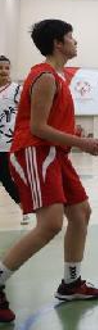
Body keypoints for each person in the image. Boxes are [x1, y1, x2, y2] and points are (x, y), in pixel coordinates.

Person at [0, 20, 98, 323]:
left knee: (81, 213)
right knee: (50, 225)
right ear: (58, 44)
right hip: (34, 152)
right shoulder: (44, 77)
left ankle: (71, 283)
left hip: (54, 154)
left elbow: (50, 122)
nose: (76, 42)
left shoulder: (58, 77)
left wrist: (73, 131)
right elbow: (37, 128)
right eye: (71, 37)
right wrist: (81, 142)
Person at [0, 56, 28, 225]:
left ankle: (25, 207)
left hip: (7, 141)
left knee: (5, 177)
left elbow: (28, 110)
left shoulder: (17, 90)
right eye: (0, 67)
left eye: (7, 68)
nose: (3, 71)